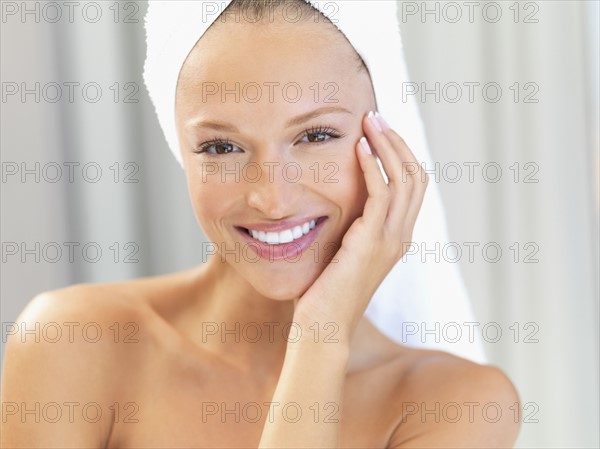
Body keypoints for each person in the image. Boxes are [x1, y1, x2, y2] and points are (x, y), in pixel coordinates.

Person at [1, 0, 520, 447]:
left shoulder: (455, 405)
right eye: (222, 147)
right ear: (181, 151)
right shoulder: (74, 344)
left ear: (387, 142)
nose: (271, 198)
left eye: (315, 135)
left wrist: (321, 333)